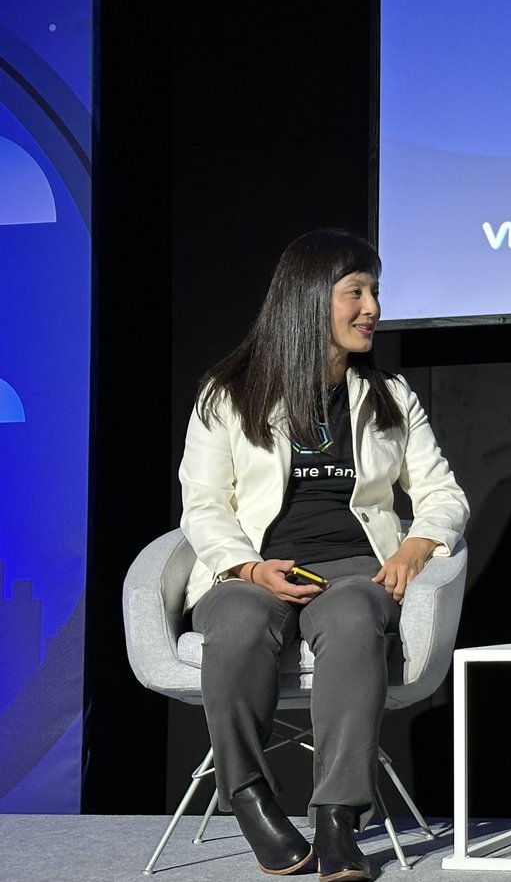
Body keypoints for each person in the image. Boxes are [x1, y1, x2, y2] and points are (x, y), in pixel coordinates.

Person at [179, 229, 468, 881]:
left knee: (354, 621)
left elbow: (441, 491)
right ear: (311, 300)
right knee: (238, 625)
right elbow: (202, 505)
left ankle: (338, 819)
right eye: (356, 292)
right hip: (250, 567)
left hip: (352, 570)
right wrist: (248, 568)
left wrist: (420, 542)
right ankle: (249, 799)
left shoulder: (390, 396)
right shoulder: (228, 393)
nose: (372, 307)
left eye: (375, 291)